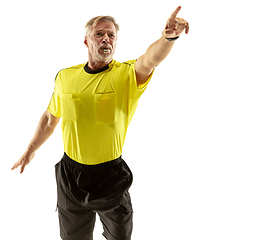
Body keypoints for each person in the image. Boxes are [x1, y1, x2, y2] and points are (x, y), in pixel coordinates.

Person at [12, 6, 189, 240]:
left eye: (111, 35)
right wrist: (29, 151)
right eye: (99, 34)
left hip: (110, 176)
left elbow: (150, 60)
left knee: (120, 237)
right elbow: (49, 119)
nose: (106, 38)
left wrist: (169, 37)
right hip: (70, 175)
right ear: (86, 41)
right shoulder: (66, 77)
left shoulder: (125, 75)